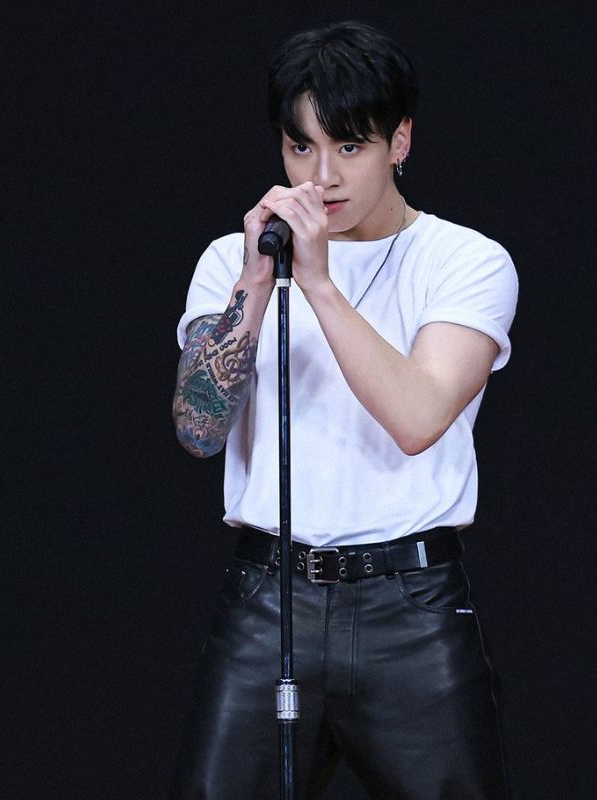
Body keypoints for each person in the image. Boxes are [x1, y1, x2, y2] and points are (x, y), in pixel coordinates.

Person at [170, 20, 517, 799]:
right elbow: (198, 429)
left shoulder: (465, 261)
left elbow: (417, 417)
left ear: (400, 141)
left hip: (410, 607)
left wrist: (319, 284)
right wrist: (256, 284)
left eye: (350, 146)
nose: (321, 176)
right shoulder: (233, 261)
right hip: (268, 599)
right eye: (301, 147)